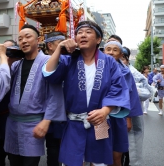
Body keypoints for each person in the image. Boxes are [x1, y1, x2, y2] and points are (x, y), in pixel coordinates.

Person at [43, 20, 130, 166]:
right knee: (72, 162)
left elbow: (118, 88)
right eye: (79, 33)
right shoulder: (68, 59)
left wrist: (105, 110)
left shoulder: (109, 62)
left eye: (88, 32)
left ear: (98, 39)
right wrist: (59, 48)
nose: (83, 35)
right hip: (74, 122)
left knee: (99, 162)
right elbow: (49, 74)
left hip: (100, 121)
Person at [4, 24, 66, 166]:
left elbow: (54, 95)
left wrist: (47, 120)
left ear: (38, 40)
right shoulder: (16, 65)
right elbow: (2, 85)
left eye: (28, 37)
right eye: (20, 39)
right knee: (13, 161)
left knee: (30, 162)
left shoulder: (47, 62)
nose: (23, 41)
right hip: (12, 123)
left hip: (33, 123)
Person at [103, 40, 143, 166]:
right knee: (102, 152)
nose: (111, 52)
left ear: (121, 54)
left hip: (119, 116)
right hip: (101, 117)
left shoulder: (126, 72)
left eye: (115, 50)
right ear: (104, 52)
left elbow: (131, 96)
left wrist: (128, 118)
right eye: (108, 49)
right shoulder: (96, 68)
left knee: (117, 154)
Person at [121, 46, 152, 166]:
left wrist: (134, 90)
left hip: (130, 116)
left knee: (130, 147)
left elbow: (147, 92)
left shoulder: (134, 73)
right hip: (108, 118)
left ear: (127, 59)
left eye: (122, 57)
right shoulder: (104, 69)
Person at [44, 31, 66, 166]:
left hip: (68, 111)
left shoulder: (70, 59)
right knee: (53, 150)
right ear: (50, 46)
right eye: (60, 44)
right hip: (50, 112)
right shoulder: (44, 61)